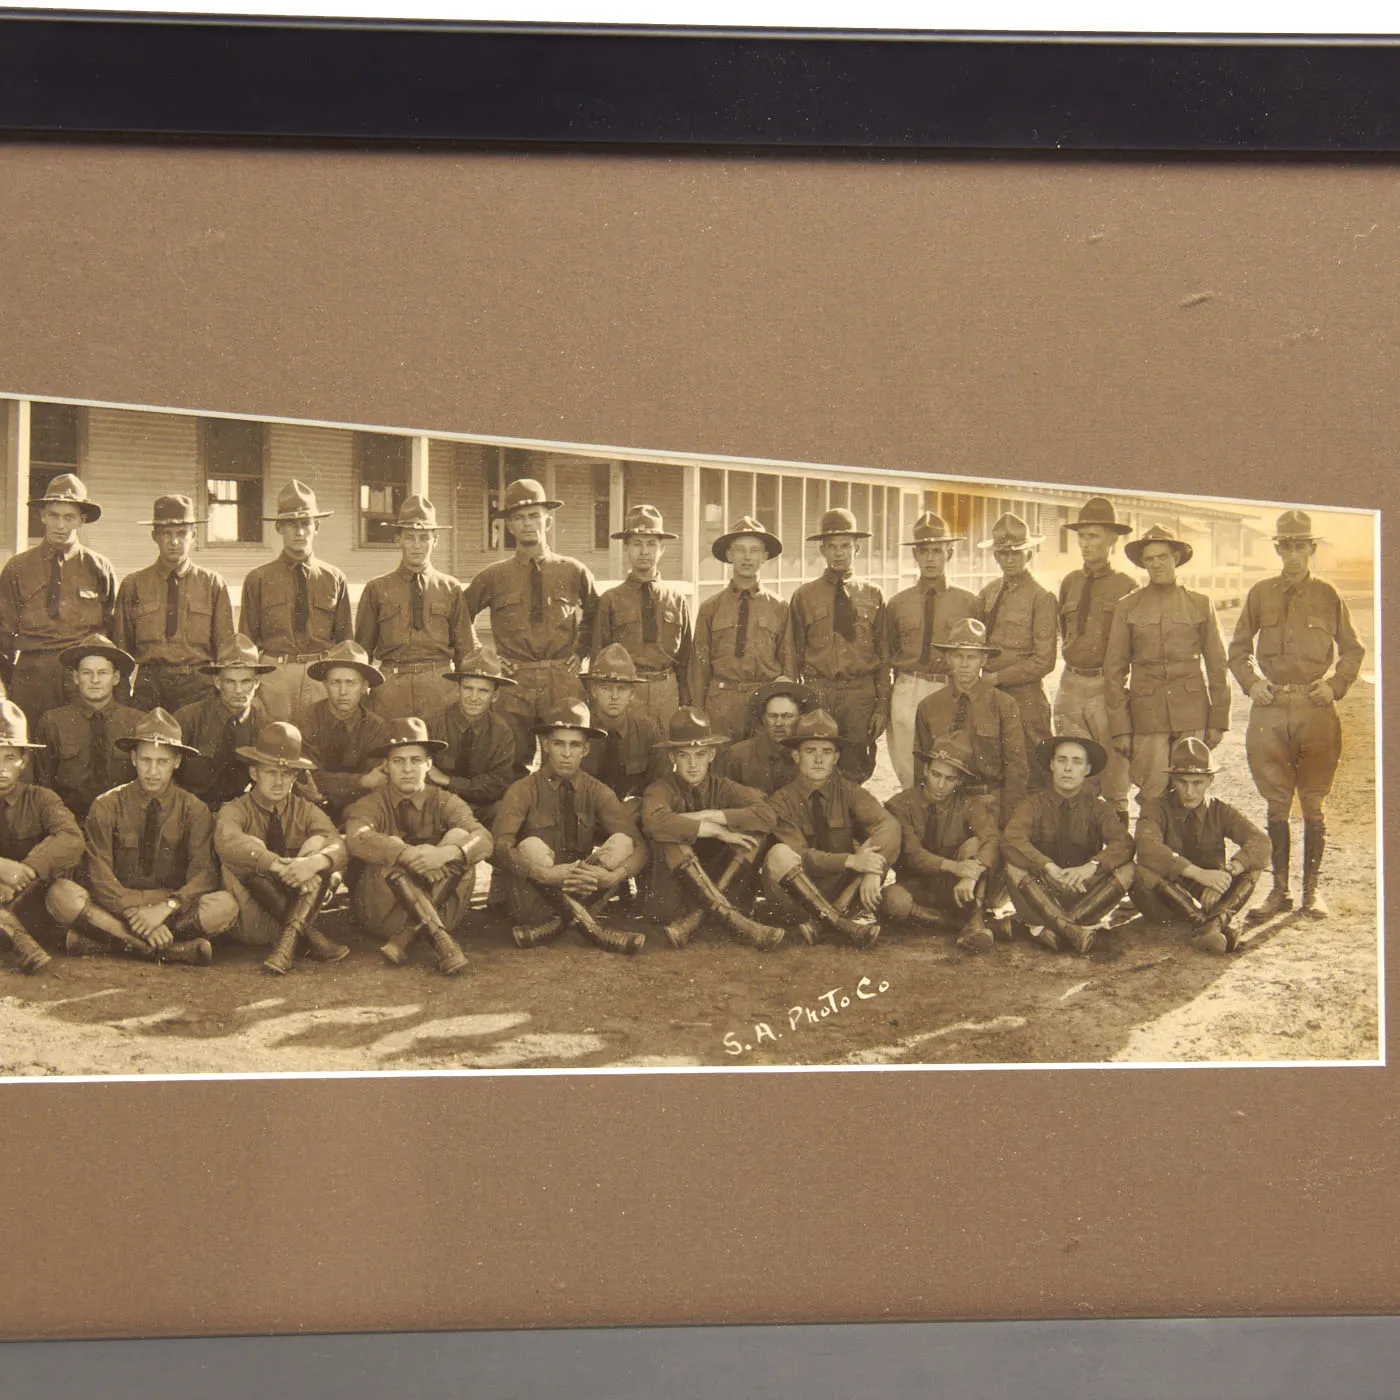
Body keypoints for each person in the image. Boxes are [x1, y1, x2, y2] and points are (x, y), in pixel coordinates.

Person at [1228, 509, 1365, 921]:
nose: (1292, 554)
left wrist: (1334, 686)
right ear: (1276, 549)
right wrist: (1252, 683)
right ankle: (1279, 891)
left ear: (1311, 549)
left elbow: (1354, 651)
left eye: (1299, 546)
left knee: (1313, 803)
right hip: (1270, 709)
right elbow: (1238, 650)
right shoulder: (1260, 593)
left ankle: (1312, 892)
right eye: (1284, 546)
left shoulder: (1328, 594)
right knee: (1275, 804)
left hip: (1315, 709)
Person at [47, 708, 238, 964]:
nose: (153, 771)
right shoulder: (107, 805)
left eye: (162, 762)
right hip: (116, 905)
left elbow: (203, 874)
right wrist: (130, 911)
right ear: (134, 758)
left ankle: (114, 942)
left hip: (168, 908)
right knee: (61, 894)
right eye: (146, 760)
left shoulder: (194, 809)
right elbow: (97, 871)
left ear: (177, 761)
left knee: (225, 905)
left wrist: (165, 909)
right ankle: (160, 948)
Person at [463, 478, 599, 776]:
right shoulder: (493, 576)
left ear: (548, 521)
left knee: (565, 761)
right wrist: (486, 659)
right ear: (509, 525)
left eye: (535, 516)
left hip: (561, 677)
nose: (528, 524)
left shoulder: (573, 570)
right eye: (519, 518)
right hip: (515, 681)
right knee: (512, 761)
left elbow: (597, 615)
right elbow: (460, 617)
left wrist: (583, 650)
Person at [492, 700, 648, 953]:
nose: (566, 753)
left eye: (574, 745)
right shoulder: (522, 790)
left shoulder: (597, 791)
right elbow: (499, 847)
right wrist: (542, 874)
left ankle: (561, 923)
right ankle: (593, 931)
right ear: (546, 745)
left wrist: (614, 876)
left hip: (588, 892)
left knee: (623, 841)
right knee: (531, 846)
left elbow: (639, 846)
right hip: (536, 899)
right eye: (558, 743)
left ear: (585, 749)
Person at [343, 717, 493, 975]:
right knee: (388, 847)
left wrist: (445, 854)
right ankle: (439, 940)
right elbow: (356, 837)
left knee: (460, 836)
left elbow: (484, 839)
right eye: (398, 761)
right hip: (385, 915)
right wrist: (406, 853)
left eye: (416, 760)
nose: (408, 769)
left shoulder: (445, 800)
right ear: (386, 767)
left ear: (429, 765)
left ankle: (410, 936)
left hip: (445, 912)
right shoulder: (371, 803)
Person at [1104, 523, 1230, 803]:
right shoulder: (1128, 606)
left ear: (1176, 558)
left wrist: (1218, 720)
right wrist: (1121, 727)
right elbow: (1114, 670)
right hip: (1148, 716)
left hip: (1192, 713)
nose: (1156, 564)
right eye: (1149, 559)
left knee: (1191, 791)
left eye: (1162, 557)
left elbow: (1217, 666)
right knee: (1152, 792)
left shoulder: (1199, 603)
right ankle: (1151, 847)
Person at [640, 707, 782, 950]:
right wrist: (715, 830)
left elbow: (767, 816)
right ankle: (732, 918)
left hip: (721, 886)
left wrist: (711, 816)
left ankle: (700, 916)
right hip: (674, 900)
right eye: (684, 756)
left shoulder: (724, 787)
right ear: (673, 758)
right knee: (672, 837)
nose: (693, 764)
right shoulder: (660, 788)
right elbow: (655, 822)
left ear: (711, 755)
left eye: (700, 754)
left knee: (755, 832)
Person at [215, 721, 349, 974]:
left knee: (320, 846)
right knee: (249, 849)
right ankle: (306, 936)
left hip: (296, 905)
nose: (279, 781)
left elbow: (338, 845)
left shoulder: (304, 809)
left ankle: (288, 943)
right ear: (254, 773)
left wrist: (311, 864)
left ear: (295, 776)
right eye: (270, 772)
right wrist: (276, 865)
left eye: (287, 774)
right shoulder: (236, 809)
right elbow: (226, 840)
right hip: (252, 922)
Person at [762, 709, 899, 948]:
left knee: (878, 840)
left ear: (836, 758)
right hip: (797, 901)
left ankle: (826, 921)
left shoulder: (850, 792)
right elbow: (801, 856)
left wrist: (872, 871)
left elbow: (889, 826)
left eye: (826, 752)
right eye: (810, 751)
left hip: (842, 896)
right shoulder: (781, 800)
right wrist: (850, 861)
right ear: (796, 756)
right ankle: (838, 924)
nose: (818, 759)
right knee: (779, 854)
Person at [1132, 737, 1270, 955]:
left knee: (1253, 864)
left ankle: (1213, 924)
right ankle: (1205, 923)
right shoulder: (1156, 807)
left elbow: (1261, 842)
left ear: (1210, 780)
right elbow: (1147, 848)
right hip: (1166, 895)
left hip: (1210, 892)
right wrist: (1198, 874)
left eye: (1197, 783)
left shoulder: (1221, 810)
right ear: (1173, 780)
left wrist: (1227, 872)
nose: (1189, 792)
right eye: (1182, 782)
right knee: (1139, 870)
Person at [1001, 736, 1136, 956]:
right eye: (1062, 760)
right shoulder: (1033, 804)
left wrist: (1091, 867)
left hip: (1083, 893)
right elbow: (1011, 839)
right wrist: (1048, 867)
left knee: (1129, 868)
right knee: (1013, 865)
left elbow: (1124, 843)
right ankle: (1073, 930)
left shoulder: (1098, 807)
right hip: (1041, 892)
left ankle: (1057, 929)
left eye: (1076, 762)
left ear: (1087, 769)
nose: (1068, 768)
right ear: (1052, 765)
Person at [0, 474, 117, 728]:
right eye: (54, 515)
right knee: (32, 748)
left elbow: (112, 629)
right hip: (33, 674)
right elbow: (3, 631)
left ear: (82, 520)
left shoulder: (98, 567)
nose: (60, 525)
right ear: (42, 515)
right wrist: (7, 682)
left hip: (82, 674)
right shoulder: (18, 567)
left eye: (69, 517)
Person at [784, 508, 890, 782]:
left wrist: (881, 708)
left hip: (860, 694)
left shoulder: (873, 594)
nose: (839, 553)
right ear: (822, 550)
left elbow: (884, 657)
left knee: (857, 765)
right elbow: (792, 655)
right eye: (832, 546)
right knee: (817, 765)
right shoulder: (804, 596)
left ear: (858, 549)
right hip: (820, 691)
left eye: (845, 546)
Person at [354, 496, 476, 728]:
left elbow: (465, 648)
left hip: (439, 684)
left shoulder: (450, 588)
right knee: (390, 748)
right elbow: (362, 650)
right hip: (391, 685)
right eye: (409, 538)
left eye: (424, 538)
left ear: (436, 540)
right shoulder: (377, 588)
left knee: (439, 750)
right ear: (398, 539)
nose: (417, 545)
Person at [238, 479, 352, 726]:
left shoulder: (334, 578)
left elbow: (345, 643)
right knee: (276, 743)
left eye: (305, 524)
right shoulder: (258, 579)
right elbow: (246, 645)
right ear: (278, 528)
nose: (299, 532)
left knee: (319, 743)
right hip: (276, 676)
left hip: (320, 675)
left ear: (316, 526)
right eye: (291, 525)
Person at [1054, 496, 1137, 818]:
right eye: (1081, 537)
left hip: (1107, 689)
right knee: (1074, 779)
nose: (1085, 544)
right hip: (1070, 684)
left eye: (1093, 536)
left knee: (1115, 783)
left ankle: (1117, 860)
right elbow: (1066, 630)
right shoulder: (1070, 583)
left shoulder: (1126, 586)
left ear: (1112, 540)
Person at [115, 494, 237, 712]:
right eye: (166, 534)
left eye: (182, 533)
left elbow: (225, 650)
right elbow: (121, 651)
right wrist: (122, 701)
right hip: (150, 686)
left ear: (194, 535)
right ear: (154, 536)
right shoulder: (134, 584)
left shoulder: (211, 584)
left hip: (198, 686)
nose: (174, 542)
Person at [883, 511, 978, 791]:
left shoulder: (968, 602)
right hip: (907, 687)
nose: (930, 558)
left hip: (947, 688)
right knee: (908, 769)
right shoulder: (898, 603)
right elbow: (887, 655)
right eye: (923, 551)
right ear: (915, 556)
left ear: (949, 552)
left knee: (946, 766)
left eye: (937, 550)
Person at [881, 733, 1001, 953]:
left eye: (950, 778)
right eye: (936, 774)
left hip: (956, 887)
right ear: (926, 770)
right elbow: (912, 854)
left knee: (976, 845)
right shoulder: (900, 805)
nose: (940, 784)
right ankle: (963, 925)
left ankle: (974, 914)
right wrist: (955, 866)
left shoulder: (969, 804)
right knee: (892, 900)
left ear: (960, 780)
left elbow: (992, 838)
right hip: (916, 887)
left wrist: (972, 873)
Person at [689, 514, 793, 743]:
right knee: (722, 764)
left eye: (754, 550)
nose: (747, 557)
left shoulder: (779, 607)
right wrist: (698, 710)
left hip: (764, 701)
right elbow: (699, 667)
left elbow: (789, 665)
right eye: (739, 550)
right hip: (722, 701)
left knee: (762, 764)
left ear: (765, 556)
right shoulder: (710, 608)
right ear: (729, 555)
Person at [912, 618, 1026, 825]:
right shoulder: (928, 706)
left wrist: (1007, 819)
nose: (964, 664)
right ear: (948, 658)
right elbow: (921, 768)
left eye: (972, 657)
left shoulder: (1004, 704)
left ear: (983, 660)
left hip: (988, 803)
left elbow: (1016, 768)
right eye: (958, 656)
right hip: (942, 805)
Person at [0, 701, 85, 973]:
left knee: (66, 896)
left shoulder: (41, 798)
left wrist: (27, 869)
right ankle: (22, 944)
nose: (1, 768)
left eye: (9, 758)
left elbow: (72, 839)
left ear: (24, 761)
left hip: (30, 902)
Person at [592, 504, 693, 722]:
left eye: (651, 544)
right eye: (637, 544)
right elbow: (598, 656)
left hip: (666, 691)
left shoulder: (676, 599)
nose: (644, 551)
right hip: (626, 692)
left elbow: (686, 657)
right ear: (626, 548)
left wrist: (685, 701)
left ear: (662, 549)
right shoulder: (610, 599)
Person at [975, 512, 1057, 776]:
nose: (1008, 560)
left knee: (1034, 770)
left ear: (1029, 555)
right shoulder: (988, 592)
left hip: (1026, 699)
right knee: (994, 767)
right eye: (1002, 554)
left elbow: (1044, 661)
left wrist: (998, 677)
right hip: (991, 697)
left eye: (1016, 553)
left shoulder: (1041, 597)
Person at [34, 634, 142, 821]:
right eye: (87, 673)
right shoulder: (53, 722)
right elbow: (43, 782)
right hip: (70, 820)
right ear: (76, 677)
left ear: (115, 678)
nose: (95, 680)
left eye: (102, 673)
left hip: (124, 820)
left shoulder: (136, 722)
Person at [173, 635, 276, 810]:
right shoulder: (188, 718)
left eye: (246, 682)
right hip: (188, 808)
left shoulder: (266, 727)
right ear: (217, 682)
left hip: (239, 812)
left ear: (257, 682)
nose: (238, 690)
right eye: (230, 682)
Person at [298, 641, 394, 822]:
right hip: (310, 805)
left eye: (350, 683)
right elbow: (309, 778)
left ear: (364, 686)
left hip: (359, 808)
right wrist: (361, 782)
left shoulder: (376, 726)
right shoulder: (306, 719)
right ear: (325, 684)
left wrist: (360, 783)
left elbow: (376, 779)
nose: (343, 691)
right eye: (335, 682)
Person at [427, 648, 519, 829]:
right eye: (468, 688)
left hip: (482, 809)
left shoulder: (502, 732)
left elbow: (497, 784)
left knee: (506, 809)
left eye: (483, 691)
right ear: (458, 689)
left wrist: (448, 781)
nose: (474, 698)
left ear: (495, 696)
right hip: (439, 807)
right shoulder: (434, 723)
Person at [580, 642, 664, 813]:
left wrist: (638, 807)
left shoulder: (647, 731)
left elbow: (660, 785)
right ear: (594, 690)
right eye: (606, 688)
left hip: (633, 815)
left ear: (632, 694)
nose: (614, 696)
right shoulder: (580, 730)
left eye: (622, 689)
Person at [714, 677, 814, 795]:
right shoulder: (737, 756)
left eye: (787, 716)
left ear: (800, 718)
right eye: (772, 716)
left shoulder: (811, 754)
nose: (778, 723)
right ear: (763, 719)